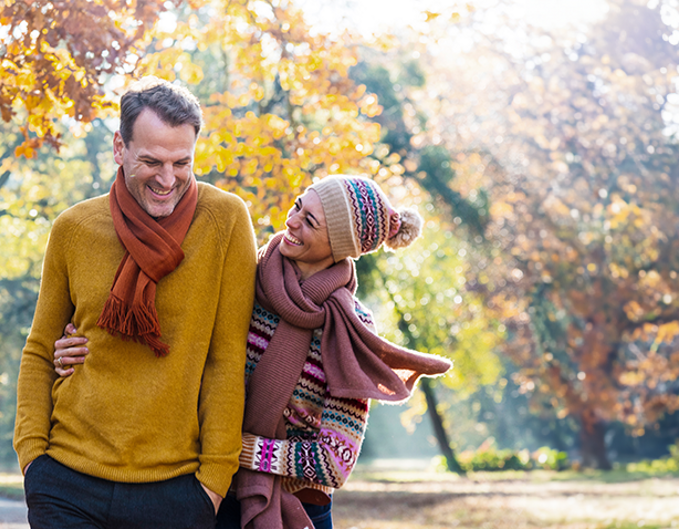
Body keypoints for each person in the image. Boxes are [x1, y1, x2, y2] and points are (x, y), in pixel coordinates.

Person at [52, 175, 455, 529]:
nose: (291, 221)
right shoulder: (244, 275)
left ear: (340, 246)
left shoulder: (349, 327)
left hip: (295, 509)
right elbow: (172, 345)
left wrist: (234, 447)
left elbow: (335, 460)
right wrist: (77, 346)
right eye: (299, 205)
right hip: (206, 492)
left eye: (310, 221)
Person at [13, 79, 257, 528]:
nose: (168, 180)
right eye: (151, 161)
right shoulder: (74, 228)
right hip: (66, 482)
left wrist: (213, 485)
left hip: (176, 492)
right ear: (119, 148)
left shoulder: (225, 221)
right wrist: (33, 459)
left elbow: (227, 361)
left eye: (181, 162)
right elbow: (39, 349)